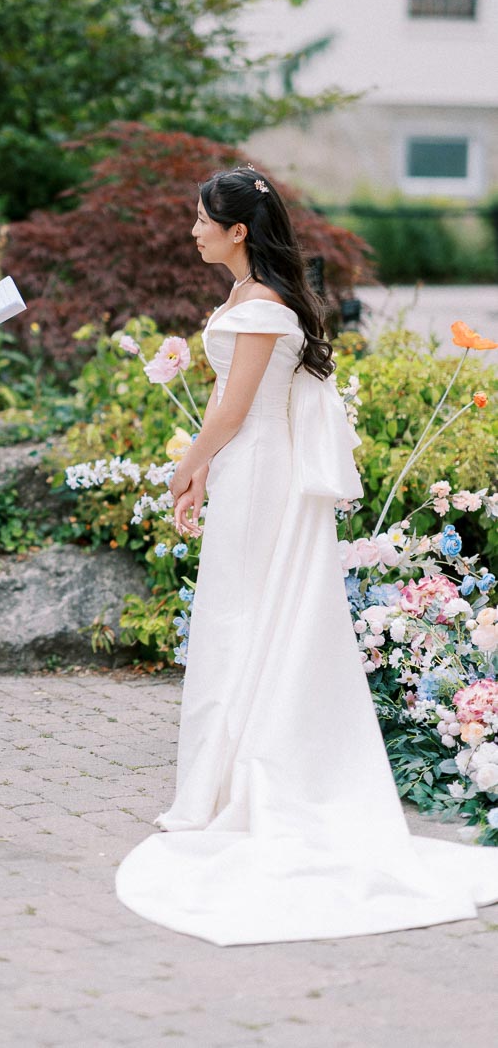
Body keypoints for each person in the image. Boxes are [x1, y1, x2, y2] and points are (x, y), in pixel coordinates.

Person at [116, 166, 498, 943]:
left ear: (238, 232)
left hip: (261, 476)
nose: (192, 229)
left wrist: (189, 467)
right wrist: (202, 472)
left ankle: (245, 778)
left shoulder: (261, 309)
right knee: (237, 616)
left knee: (245, 614)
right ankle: (221, 778)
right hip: (251, 469)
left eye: (201, 220)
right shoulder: (244, 298)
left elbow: (232, 409)